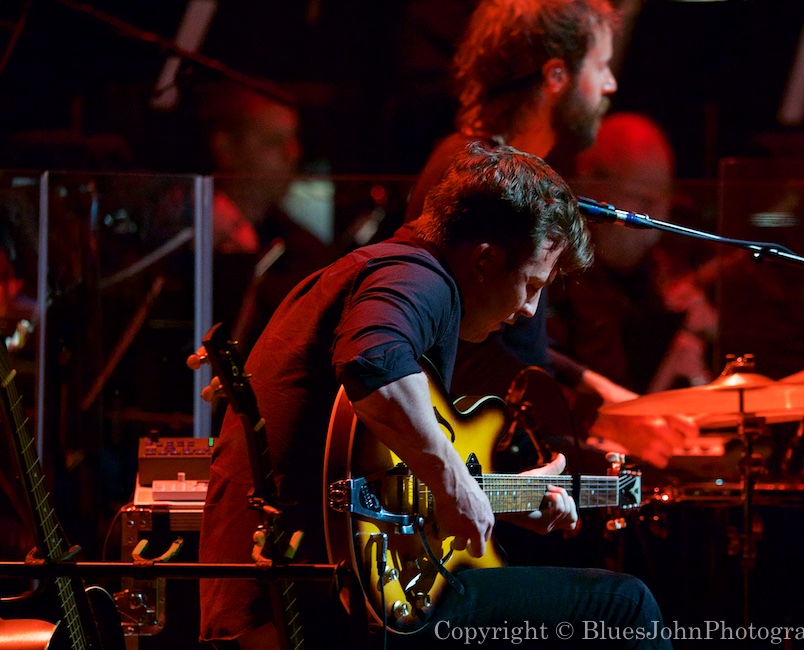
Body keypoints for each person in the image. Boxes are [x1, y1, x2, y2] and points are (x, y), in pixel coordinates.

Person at [199, 142, 671, 649]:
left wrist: (497, 497)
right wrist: (454, 482)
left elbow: (376, 480)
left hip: (294, 590)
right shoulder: (418, 277)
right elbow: (373, 362)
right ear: (484, 260)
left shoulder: (388, 271)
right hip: (306, 602)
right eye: (532, 285)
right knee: (624, 606)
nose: (530, 311)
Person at [403, 0, 692, 469]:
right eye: (600, 66)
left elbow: (513, 341)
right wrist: (602, 420)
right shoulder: (475, 181)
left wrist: (602, 391)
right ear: (556, 75)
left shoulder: (498, 169)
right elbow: (467, 356)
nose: (610, 84)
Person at [550, 112, 718, 403]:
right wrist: (673, 351)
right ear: (592, 187)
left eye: (665, 201)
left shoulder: (654, 268)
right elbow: (606, 400)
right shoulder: (562, 277)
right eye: (644, 201)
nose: (657, 220)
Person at [199, 81, 333, 351]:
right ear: (226, 148)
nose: (292, 154)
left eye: (294, 140)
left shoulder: (304, 250)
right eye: (273, 141)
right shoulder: (191, 237)